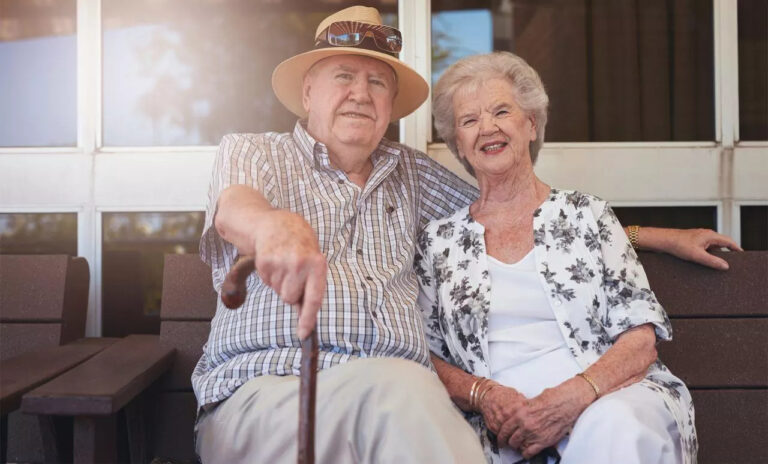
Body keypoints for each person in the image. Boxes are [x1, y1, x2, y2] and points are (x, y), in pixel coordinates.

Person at [193, 6, 738, 463]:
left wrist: (658, 235)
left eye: (377, 81)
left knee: (417, 406)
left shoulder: (410, 175)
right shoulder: (254, 152)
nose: (360, 93)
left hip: (397, 406)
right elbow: (236, 210)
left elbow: (524, 213)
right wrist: (275, 227)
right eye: (344, 77)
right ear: (308, 90)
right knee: (404, 394)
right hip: (274, 388)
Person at [414, 51, 734, 464]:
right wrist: (483, 395)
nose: (487, 128)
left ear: (531, 124)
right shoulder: (440, 241)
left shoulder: (587, 214)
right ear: (458, 142)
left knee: (613, 428)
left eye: (501, 111)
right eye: (469, 120)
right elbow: (427, 354)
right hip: (496, 425)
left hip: (607, 398)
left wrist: (571, 399)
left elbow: (640, 340)